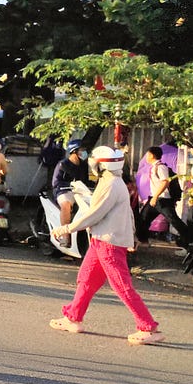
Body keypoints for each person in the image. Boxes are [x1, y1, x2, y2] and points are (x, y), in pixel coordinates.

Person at [50, 145, 164, 344]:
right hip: (101, 240)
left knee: (122, 286)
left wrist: (66, 229)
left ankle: (148, 328)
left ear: (102, 165)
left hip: (108, 243)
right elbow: (125, 214)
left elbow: (94, 214)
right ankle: (72, 317)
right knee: (86, 279)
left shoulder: (111, 184)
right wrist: (131, 238)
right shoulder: (113, 181)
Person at [135, 146, 193, 247]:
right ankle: (143, 239)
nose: (147, 157)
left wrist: (155, 197)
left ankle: (188, 240)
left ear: (152, 155)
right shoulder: (154, 167)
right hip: (154, 199)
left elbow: (165, 182)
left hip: (162, 200)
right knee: (143, 218)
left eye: (148, 155)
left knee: (174, 220)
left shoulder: (161, 167)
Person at [49, 141, 88, 245]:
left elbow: (86, 181)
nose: (85, 152)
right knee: (66, 205)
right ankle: (65, 236)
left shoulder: (84, 165)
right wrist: (70, 184)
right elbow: (55, 182)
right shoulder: (63, 164)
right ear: (74, 151)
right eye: (82, 150)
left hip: (79, 192)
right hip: (63, 191)